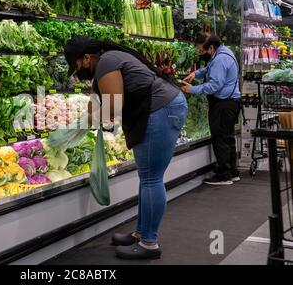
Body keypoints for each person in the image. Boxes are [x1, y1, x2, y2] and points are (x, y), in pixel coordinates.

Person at [64, 36, 188, 260]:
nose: (77, 73)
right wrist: (83, 121)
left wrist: (83, 125)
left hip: (161, 109)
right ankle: (141, 233)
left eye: (76, 66)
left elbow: (114, 106)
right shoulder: (103, 66)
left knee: (152, 178)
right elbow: (97, 103)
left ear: (86, 58)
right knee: (147, 177)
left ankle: (149, 244)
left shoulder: (106, 63)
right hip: (157, 109)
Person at [182, 33, 241, 185]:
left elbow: (215, 85)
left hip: (223, 103)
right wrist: (196, 73)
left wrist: (192, 89)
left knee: (220, 137)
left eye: (202, 50)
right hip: (231, 102)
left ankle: (224, 175)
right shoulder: (224, 53)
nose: (201, 53)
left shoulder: (220, 59)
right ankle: (232, 171)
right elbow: (209, 69)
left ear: (211, 48)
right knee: (228, 137)